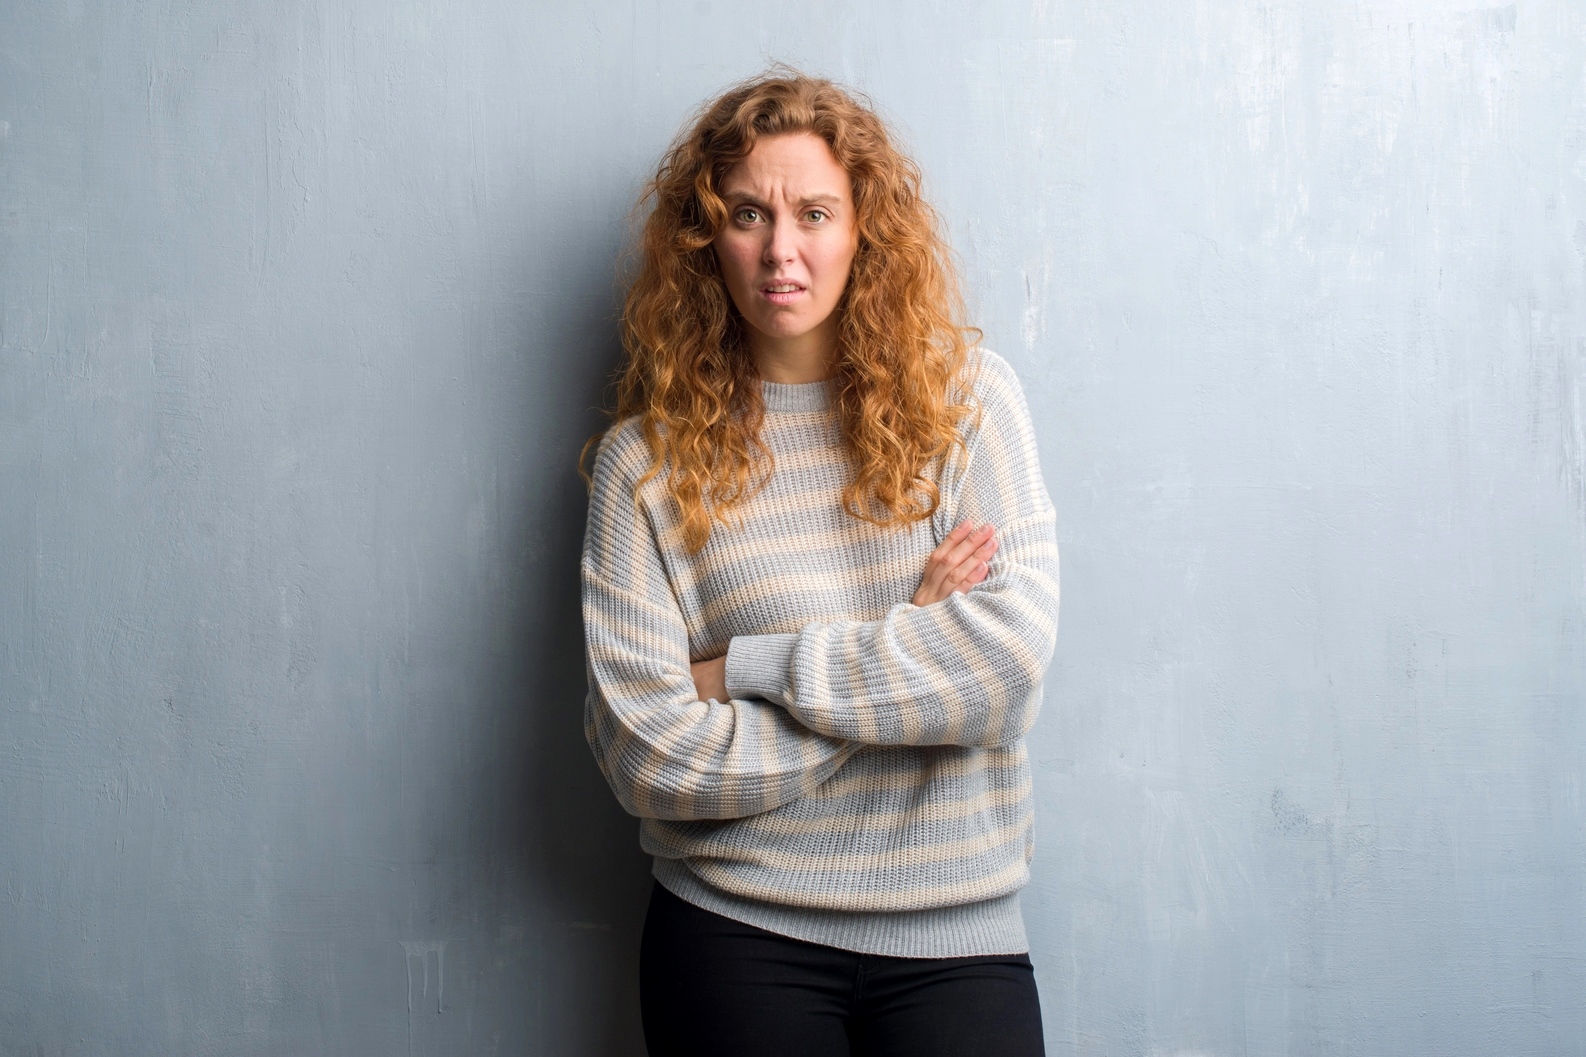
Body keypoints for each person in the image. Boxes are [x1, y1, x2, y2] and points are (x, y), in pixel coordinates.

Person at [579, 70, 1060, 1057]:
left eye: (813, 212)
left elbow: (1003, 673)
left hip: (956, 935)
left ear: (863, 230)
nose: (779, 249)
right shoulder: (645, 462)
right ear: (704, 240)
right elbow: (642, 751)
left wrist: (751, 670)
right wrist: (905, 657)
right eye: (746, 214)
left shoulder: (967, 406)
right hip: (732, 933)